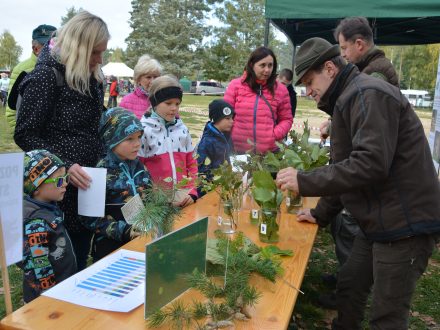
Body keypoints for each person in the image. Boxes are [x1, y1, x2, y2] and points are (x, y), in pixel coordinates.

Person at [276, 37, 440, 330]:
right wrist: (320, 213)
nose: (307, 91)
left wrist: (305, 181)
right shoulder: (348, 98)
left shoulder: (367, 94)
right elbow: (344, 169)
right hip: (378, 219)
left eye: (309, 81)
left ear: (329, 68)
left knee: (386, 316)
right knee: (350, 285)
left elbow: (370, 165)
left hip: (404, 225)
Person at [14, 11, 110, 271]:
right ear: (78, 48)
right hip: (58, 190)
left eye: (103, 52)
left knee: (81, 256)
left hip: (88, 185)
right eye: (95, 52)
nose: (100, 59)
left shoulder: (92, 78)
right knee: (61, 263)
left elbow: (90, 128)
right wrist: (65, 165)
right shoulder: (45, 77)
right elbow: (25, 133)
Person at [318, 16, 402, 309]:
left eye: (343, 49)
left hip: (387, 201)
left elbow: (368, 149)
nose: (342, 56)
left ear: (359, 44)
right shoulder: (368, 73)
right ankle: (348, 282)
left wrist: (308, 181)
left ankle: (350, 284)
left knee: (351, 231)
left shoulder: (372, 80)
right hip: (379, 193)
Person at [80, 107, 151, 262]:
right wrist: (125, 231)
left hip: (141, 243)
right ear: (112, 139)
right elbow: (90, 219)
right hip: (110, 250)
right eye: (130, 139)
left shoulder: (140, 167)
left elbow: (151, 197)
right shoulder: (97, 172)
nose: (137, 144)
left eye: (139, 137)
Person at [21, 149, 76, 303]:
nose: (65, 184)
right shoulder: (35, 222)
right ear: (36, 187)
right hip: (46, 301)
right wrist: (49, 300)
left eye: (66, 177)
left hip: (61, 291)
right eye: (59, 180)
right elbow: (39, 268)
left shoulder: (49, 207)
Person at [138, 75, 198, 207]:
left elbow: (192, 163)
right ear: (155, 103)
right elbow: (137, 168)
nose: (174, 108)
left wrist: (192, 191)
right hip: (156, 200)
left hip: (183, 196)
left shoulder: (182, 130)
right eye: (168, 103)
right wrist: (149, 192)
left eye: (177, 103)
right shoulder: (144, 131)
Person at [224, 46, 293, 154]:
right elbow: (224, 116)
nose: (267, 70)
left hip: (269, 153)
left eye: (270, 65)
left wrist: (274, 135)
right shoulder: (235, 85)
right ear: (252, 65)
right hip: (238, 152)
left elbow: (287, 119)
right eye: (262, 65)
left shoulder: (281, 90)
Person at [5, 24, 57, 128]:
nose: (53, 48)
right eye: (47, 45)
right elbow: (11, 111)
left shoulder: (64, 68)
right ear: (35, 48)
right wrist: (25, 138)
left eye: (54, 44)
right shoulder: (21, 70)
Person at [197, 99, 235, 180]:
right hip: (211, 187)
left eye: (232, 118)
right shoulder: (207, 141)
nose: (232, 121)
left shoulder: (225, 136)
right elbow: (203, 170)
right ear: (217, 119)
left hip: (223, 183)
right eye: (228, 118)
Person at [119, 54, 162, 119]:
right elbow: (121, 126)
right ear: (138, 79)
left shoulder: (165, 99)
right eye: (148, 77)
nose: (153, 81)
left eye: (155, 77)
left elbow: (176, 124)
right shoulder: (126, 101)